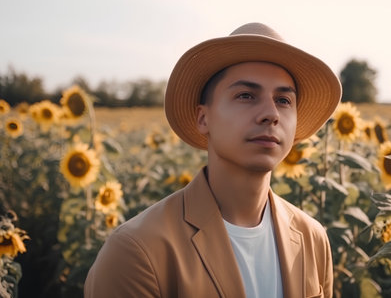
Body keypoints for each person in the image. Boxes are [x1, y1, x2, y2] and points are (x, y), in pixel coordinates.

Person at [84, 22, 341, 298]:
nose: (270, 113)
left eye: (283, 100)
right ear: (203, 118)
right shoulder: (138, 250)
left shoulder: (313, 238)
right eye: (246, 95)